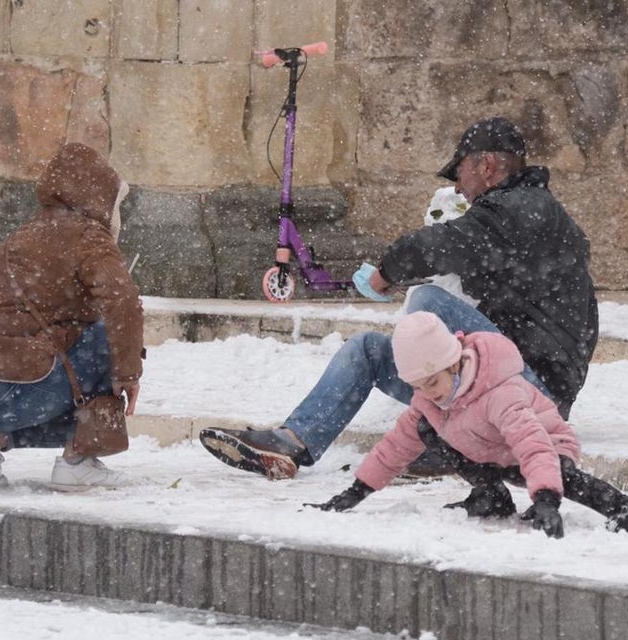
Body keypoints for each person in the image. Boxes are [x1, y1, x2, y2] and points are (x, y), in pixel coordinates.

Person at [199, 116, 599, 512]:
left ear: (487, 166)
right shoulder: (521, 215)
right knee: (368, 350)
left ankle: (445, 444)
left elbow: (431, 247)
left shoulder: (524, 206)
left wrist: (385, 274)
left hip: (531, 398)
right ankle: (293, 442)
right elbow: (472, 268)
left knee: (428, 302)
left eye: (459, 172)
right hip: (490, 392)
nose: (457, 188)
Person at [307, 312, 628, 538]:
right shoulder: (429, 401)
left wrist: (547, 499)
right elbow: (396, 446)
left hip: (546, 449)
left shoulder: (499, 391)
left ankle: (626, 510)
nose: (428, 393)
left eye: (432, 382)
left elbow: (533, 445)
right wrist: (356, 492)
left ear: (453, 364)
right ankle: (493, 497)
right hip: (492, 453)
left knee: (566, 477)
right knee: (425, 428)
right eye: (417, 387)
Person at [0, 142, 144, 491]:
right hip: (3, 389)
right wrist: (128, 374)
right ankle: (78, 461)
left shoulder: (25, 233)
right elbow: (123, 303)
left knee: (77, 342)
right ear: (100, 196)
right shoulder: (88, 235)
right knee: (106, 334)